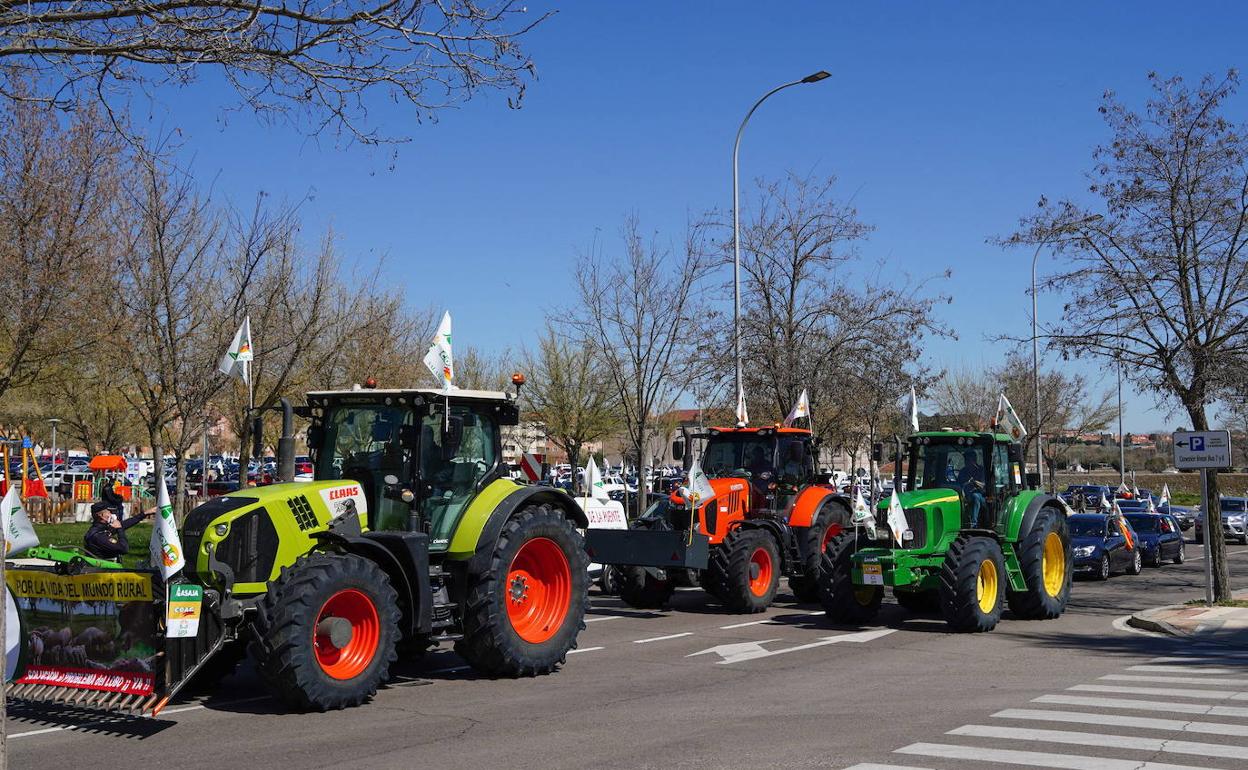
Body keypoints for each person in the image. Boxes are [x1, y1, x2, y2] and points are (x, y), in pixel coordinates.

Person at [83, 500, 152, 560]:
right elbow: (124, 549)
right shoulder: (99, 536)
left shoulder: (100, 528)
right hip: (105, 571)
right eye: (109, 512)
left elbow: (126, 524)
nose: (111, 514)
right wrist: (119, 529)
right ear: (101, 515)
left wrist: (145, 513)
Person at [956, 449, 986, 527]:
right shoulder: (963, 471)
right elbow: (958, 484)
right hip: (965, 495)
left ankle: (973, 524)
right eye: (965, 459)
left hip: (982, 496)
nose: (966, 461)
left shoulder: (981, 470)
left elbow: (984, 485)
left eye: (968, 459)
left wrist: (974, 482)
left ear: (974, 459)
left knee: (975, 496)